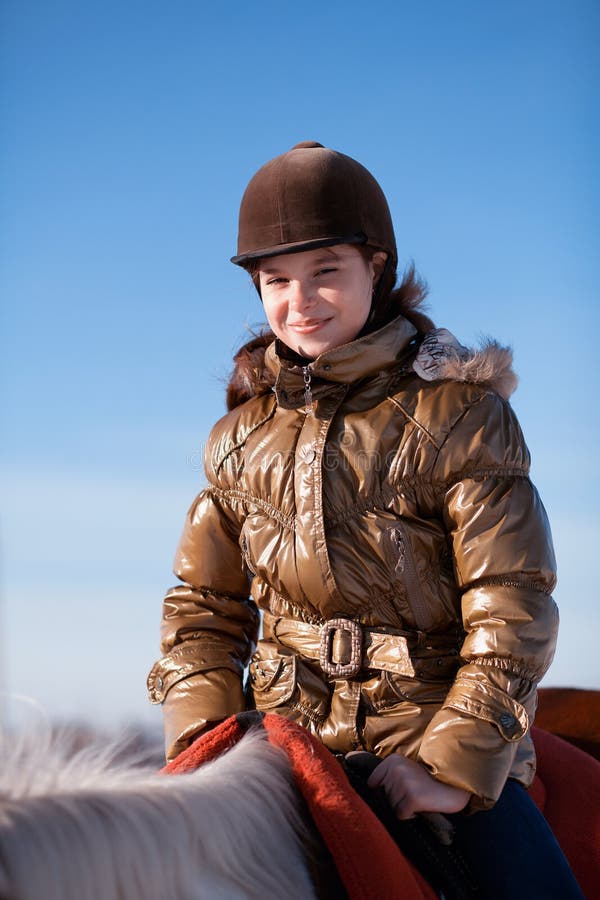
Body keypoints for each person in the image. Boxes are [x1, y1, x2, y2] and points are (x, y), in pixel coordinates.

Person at [147, 141, 582, 897]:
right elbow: (202, 610)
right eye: (276, 280)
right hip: (281, 747)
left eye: (326, 272)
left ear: (374, 268)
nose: (301, 299)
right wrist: (202, 739)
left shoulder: (463, 417)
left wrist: (453, 764)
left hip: (432, 741)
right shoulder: (236, 439)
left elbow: (513, 605)